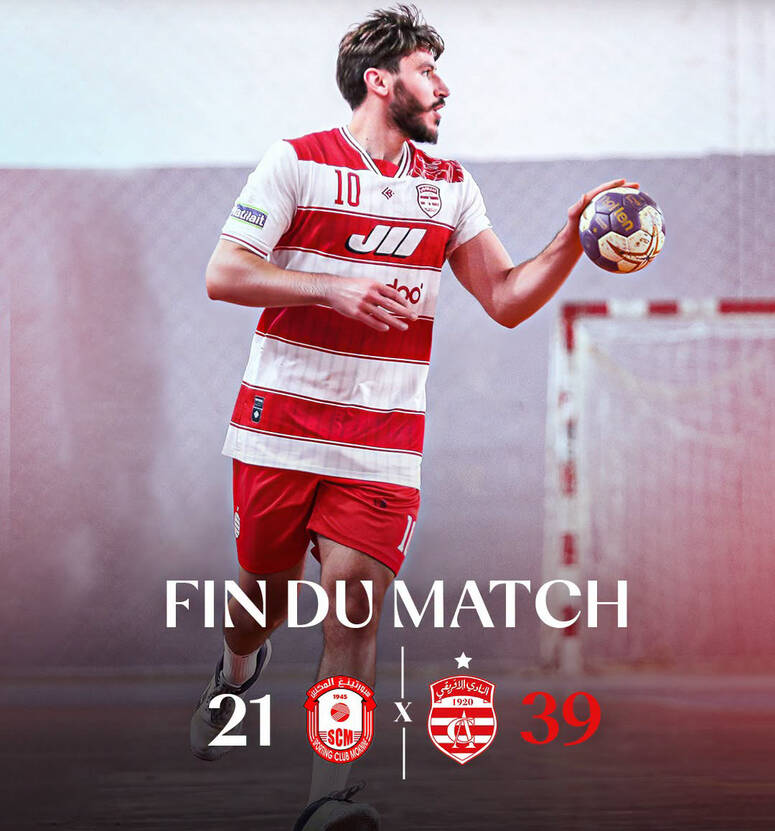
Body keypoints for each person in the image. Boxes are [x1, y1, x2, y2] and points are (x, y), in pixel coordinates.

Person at [190, 4, 636, 829]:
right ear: (380, 80)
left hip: (383, 436)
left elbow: (505, 298)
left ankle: (328, 796)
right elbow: (225, 272)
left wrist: (571, 236)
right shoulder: (296, 162)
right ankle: (236, 667)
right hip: (280, 422)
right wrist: (331, 287)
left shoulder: (450, 186)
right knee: (263, 592)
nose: (443, 88)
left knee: (354, 602)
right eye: (429, 71)